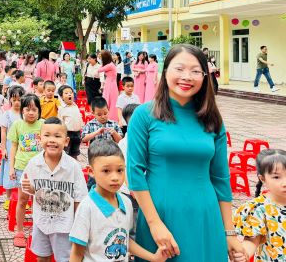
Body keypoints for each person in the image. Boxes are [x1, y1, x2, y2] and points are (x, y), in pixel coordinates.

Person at [128, 44, 245, 262]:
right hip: (161, 217)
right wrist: (154, 224)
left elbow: (221, 178)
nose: (187, 77)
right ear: (165, 71)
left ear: (204, 77)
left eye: (195, 71)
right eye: (179, 69)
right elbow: (135, 173)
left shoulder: (212, 119)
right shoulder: (144, 115)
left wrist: (229, 232)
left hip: (206, 216)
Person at [69, 140, 167, 262]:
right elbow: (77, 253)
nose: (115, 177)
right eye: (106, 171)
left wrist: (154, 258)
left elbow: (125, 240)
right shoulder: (87, 207)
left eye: (120, 170)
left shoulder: (126, 202)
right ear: (91, 171)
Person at [22, 117, 88, 262]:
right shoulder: (33, 164)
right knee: (42, 257)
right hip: (41, 221)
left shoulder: (73, 167)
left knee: (65, 259)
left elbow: (79, 198)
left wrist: (79, 228)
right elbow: (29, 190)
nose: (52, 140)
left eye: (57, 136)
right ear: (40, 138)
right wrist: (31, 189)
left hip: (65, 225)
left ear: (66, 141)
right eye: (47, 135)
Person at [233, 148, 286, 262]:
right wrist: (244, 254)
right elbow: (252, 240)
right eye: (276, 177)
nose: (285, 183)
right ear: (263, 179)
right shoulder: (259, 208)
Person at [9, 94, 44, 248]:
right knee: (23, 200)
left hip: (41, 168)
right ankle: (20, 231)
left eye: (34, 109)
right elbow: (14, 147)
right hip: (22, 167)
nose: (31, 113)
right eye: (27, 109)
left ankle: (39, 230)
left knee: (39, 200)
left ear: (39, 111)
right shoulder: (17, 125)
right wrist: (11, 167)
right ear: (22, 110)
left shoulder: (43, 124)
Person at [0, 85, 25, 209]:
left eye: (19, 100)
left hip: (23, 146)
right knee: (8, 171)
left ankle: (23, 199)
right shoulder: (7, 114)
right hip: (10, 146)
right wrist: (3, 148)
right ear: (10, 100)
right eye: (14, 100)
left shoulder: (25, 114)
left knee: (23, 172)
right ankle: (8, 199)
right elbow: (3, 131)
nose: (17, 102)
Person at [57, 85, 83, 159]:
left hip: (77, 133)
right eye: (66, 93)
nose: (69, 94)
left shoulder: (75, 105)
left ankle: (74, 161)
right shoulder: (61, 108)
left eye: (71, 93)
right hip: (68, 133)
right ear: (61, 97)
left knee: (75, 151)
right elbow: (60, 122)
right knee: (66, 151)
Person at [99, 50, 119, 121]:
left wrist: (101, 64)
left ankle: (111, 117)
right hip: (110, 83)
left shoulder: (110, 65)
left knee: (110, 99)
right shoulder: (110, 64)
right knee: (110, 99)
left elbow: (99, 69)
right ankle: (108, 115)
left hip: (110, 84)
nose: (101, 58)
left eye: (101, 57)